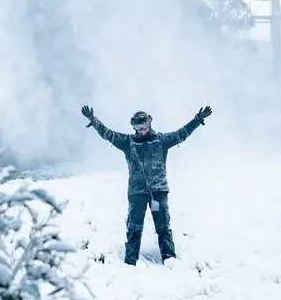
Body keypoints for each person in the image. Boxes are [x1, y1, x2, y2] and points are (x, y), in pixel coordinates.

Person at [81, 104, 212, 266]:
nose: (141, 130)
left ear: (149, 124)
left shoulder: (161, 140)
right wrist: (93, 120)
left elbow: (181, 134)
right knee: (134, 228)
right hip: (137, 194)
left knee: (163, 227)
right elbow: (108, 134)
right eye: (138, 127)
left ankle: (170, 260)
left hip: (158, 193)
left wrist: (197, 120)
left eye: (144, 126)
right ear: (133, 127)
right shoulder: (128, 142)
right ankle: (130, 262)